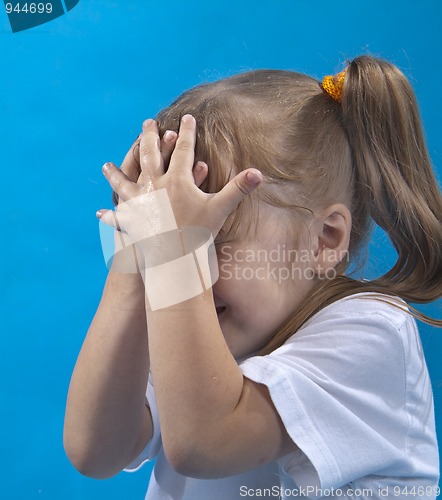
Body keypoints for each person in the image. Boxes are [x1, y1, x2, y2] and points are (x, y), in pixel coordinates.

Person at [64, 55, 442, 499]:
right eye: (157, 246)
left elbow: (203, 441)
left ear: (323, 241)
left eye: (207, 241)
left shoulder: (372, 330)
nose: (175, 266)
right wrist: (133, 261)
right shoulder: (192, 325)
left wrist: (174, 257)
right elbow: (94, 451)